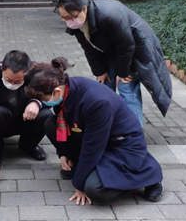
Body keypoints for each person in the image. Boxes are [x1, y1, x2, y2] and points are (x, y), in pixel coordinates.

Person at [24, 57, 164, 205]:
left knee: (94, 190)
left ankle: (149, 177)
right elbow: (61, 121)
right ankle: (85, 168)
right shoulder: (66, 88)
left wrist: (79, 184)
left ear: (56, 91)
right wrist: (63, 153)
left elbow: (93, 147)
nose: (45, 103)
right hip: (94, 136)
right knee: (50, 124)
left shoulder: (97, 102)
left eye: (44, 99)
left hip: (121, 145)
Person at [57, 0, 172, 125]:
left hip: (136, 49)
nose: (68, 21)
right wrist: (100, 71)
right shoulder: (77, 24)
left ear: (84, 9)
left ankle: (133, 136)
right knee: (104, 85)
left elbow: (126, 46)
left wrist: (123, 72)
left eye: (71, 17)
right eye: (64, 18)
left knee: (126, 87)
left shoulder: (109, 15)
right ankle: (108, 127)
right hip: (114, 50)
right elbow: (88, 48)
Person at [0, 50, 53, 180]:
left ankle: (28, 145)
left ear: (28, 71)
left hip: (27, 119)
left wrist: (36, 102)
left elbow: (53, 97)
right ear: (2, 67)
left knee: (47, 115)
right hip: (0, 120)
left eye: (18, 81)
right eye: (8, 79)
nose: (12, 84)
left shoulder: (38, 74)